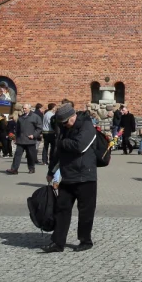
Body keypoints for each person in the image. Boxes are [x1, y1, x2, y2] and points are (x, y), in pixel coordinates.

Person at [44, 104, 97, 252]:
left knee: (86, 211)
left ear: (72, 116)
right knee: (62, 209)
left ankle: (85, 240)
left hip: (85, 175)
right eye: (62, 124)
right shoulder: (63, 129)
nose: (64, 125)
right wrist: (51, 170)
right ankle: (58, 242)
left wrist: (62, 143)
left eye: (66, 122)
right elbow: (56, 151)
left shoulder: (87, 125)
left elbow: (80, 145)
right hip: (67, 175)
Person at [6, 104, 41, 175]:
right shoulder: (21, 118)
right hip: (21, 140)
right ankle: (14, 169)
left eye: (25, 108)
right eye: (23, 108)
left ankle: (31, 168)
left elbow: (39, 127)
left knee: (30, 155)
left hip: (30, 140)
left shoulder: (35, 117)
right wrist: (16, 137)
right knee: (17, 155)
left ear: (29, 108)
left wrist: (34, 135)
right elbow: (18, 129)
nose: (24, 110)